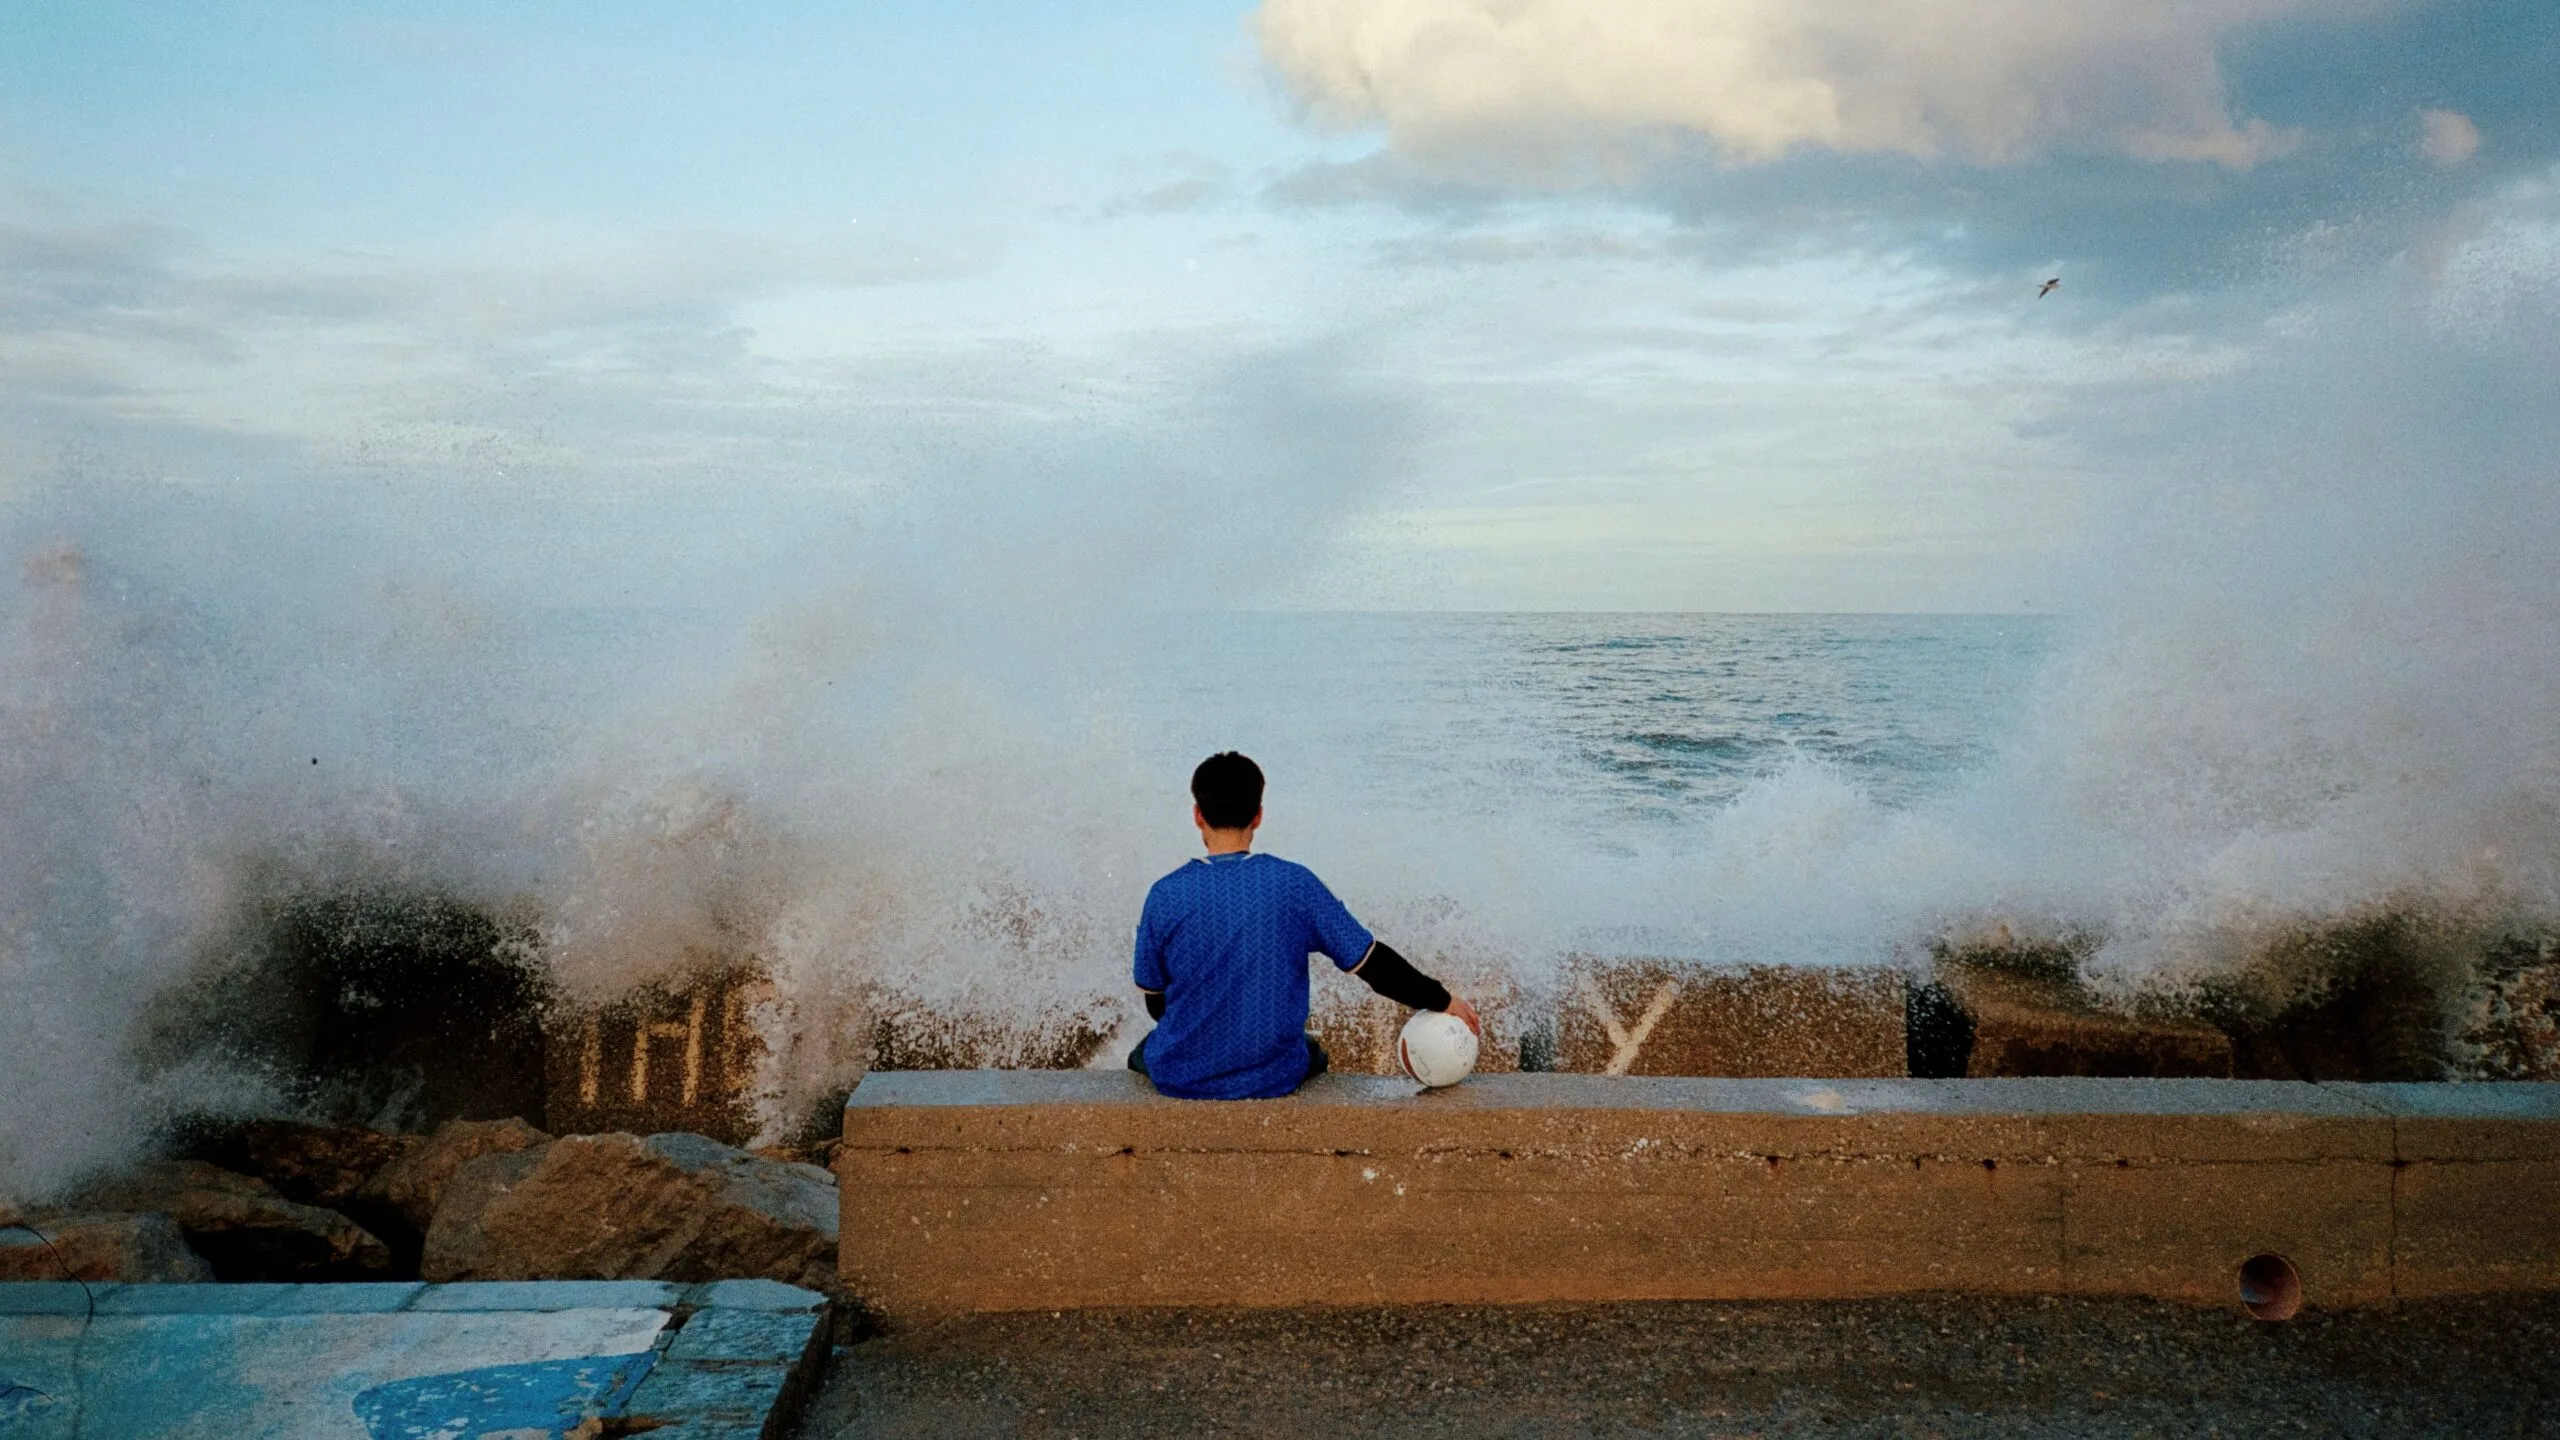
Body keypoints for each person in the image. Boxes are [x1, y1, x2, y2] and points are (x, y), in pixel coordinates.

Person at [1127, 751, 1481, 1099]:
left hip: (1183, 1077)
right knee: (1311, 1050)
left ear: (1197, 815)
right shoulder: (1294, 884)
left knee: (1143, 1053)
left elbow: (1156, 1004)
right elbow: (1373, 964)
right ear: (1258, 816)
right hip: (1273, 1076)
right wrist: (1441, 999)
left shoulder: (1165, 894)